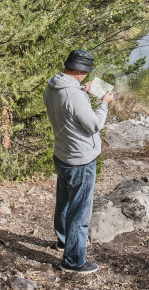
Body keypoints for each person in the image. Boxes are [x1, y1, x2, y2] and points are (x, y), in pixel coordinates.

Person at [43, 49, 113, 274]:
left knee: (64, 202)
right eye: (85, 73)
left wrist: (82, 92)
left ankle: (64, 241)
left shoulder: (52, 86)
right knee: (80, 212)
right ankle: (73, 261)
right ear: (81, 70)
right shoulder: (74, 95)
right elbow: (93, 125)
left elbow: (67, 111)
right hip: (80, 161)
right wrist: (104, 103)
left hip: (62, 155)